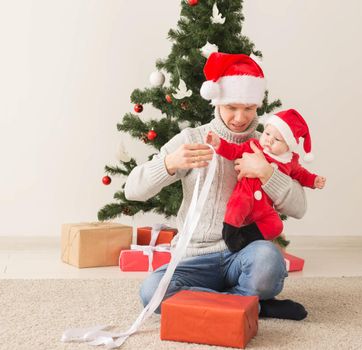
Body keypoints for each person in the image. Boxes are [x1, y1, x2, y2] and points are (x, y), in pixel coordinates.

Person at [125, 52, 308, 320]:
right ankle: (250, 304)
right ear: (217, 102)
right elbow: (132, 190)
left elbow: (300, 207)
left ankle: (226, 302)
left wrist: (267, 172)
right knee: (151, 291)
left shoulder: (267, 146)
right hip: (193, 257)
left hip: (243, 254)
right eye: (231, 107)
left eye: (249, 108)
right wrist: (170, 163)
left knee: (269, 260)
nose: (239, 117)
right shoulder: (192, 139)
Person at [206, 109, 327, 253]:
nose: (269, 140)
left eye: (277, 139)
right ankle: (230, 236)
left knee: (275, 225)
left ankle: (246, 237)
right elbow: (233, 151)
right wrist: (218, 144)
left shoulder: (290, 160)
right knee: (236, 208)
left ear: (288, 145)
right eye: (267, 134)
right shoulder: (254, 145)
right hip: (246, 194)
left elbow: (301, 174)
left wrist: (313, 180)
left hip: (264, 206)